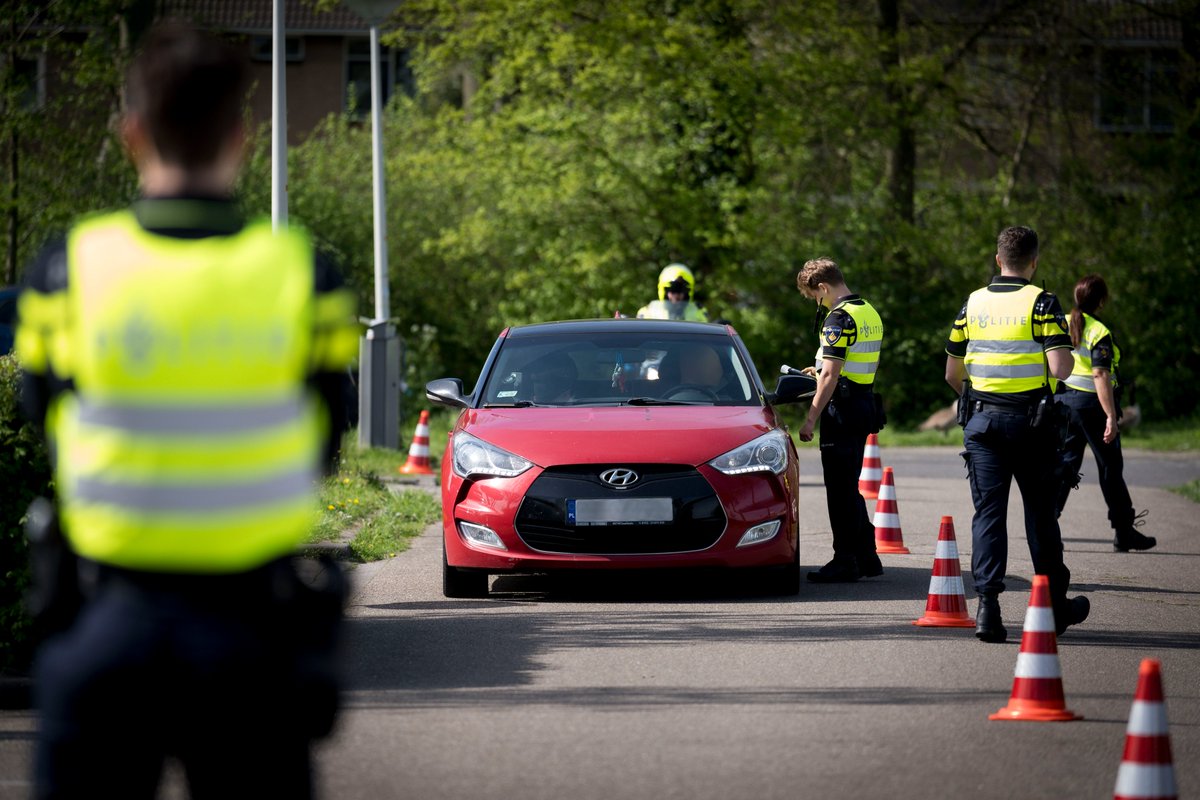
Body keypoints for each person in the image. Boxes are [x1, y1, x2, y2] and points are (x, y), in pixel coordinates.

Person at [14, 21, 360, 798]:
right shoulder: (304, 274)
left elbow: (46, 421)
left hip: (107, 625)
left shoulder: (66, 270)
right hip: (253, 641)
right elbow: (325, 437)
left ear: (132, 133)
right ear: (242, 136)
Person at [944, 226, 1090, 644]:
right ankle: (1053, 609)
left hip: (983, 424)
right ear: (1034, 262)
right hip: (1032, 426)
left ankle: (987, 609)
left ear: (997, 260)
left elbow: (953, 373)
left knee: (988, 516)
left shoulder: (972, 303)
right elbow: (1061, 369)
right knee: (1041, 518)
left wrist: (980, 397)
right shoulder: (1042, 302)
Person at [795, 258, 884, 583]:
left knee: (839, 489)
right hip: (863, 404)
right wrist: (817, 369)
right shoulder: (867, 310)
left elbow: (832, 374)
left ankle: (845, 560)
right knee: (849, 485)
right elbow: (845, 362)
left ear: (823, 287)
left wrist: (810, 418)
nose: (817, 303)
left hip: (841, 412)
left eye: (814, 297)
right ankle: (867, 555)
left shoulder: (839, 318)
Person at [1055, 274, 1156, 552]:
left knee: (1065, 467)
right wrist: (1111, 415)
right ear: (1101, 301)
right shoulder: (1098, 331)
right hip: (1092, 408)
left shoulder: (1060, 322)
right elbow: (1100, 374)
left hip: (1064, 405)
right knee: (1110, 468)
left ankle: (1047, 526)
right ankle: (1124, 532)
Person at [636, 263, 709, 321]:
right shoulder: (648, 312)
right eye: (672, 291)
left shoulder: (699, 312)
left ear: (687, 293)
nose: (676, 296)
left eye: (681, 291)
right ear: (664, 292)